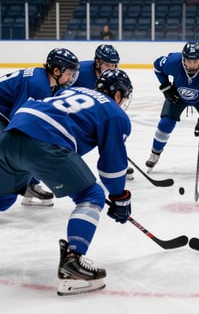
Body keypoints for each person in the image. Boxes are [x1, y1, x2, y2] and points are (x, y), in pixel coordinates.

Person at [0, 69, 133, 295]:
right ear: (118, 95)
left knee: (4, 199)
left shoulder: (75, 89)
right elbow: (112, 168)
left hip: (11, 134)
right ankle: (73, 264)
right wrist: (119, 197)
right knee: (92, 196)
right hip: (43, 141)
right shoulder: (115, 114)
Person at [0, 47, 80, 207]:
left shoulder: (44, 79)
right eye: (69, 73)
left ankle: (25, 183)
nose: (71, 77)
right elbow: (19, 119)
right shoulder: (39, 84)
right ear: (57, 70)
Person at [145, 41, 199, 173]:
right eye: (188, 61)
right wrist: (166, 86)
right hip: (177, 95)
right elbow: (157, 66)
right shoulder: (173, 62)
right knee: (165, 123)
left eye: (195, 61)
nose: (192, 65)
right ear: (183, 59)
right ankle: (155, 153)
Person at [73, 44, 134, 180]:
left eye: (113, 65)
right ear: (97, 62)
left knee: (115, 128)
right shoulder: (79, 72)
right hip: (73, 112)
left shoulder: (114, 79)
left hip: (92, 113)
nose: (111, 69)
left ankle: (116, 162)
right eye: (107, 65)